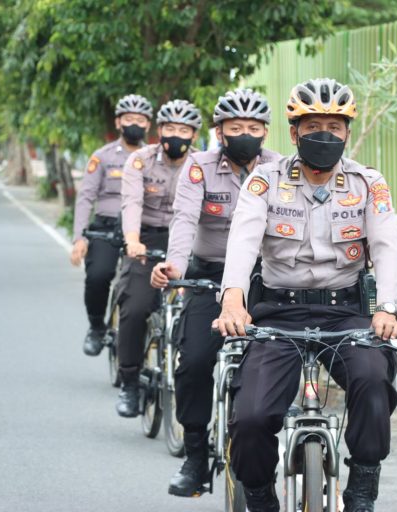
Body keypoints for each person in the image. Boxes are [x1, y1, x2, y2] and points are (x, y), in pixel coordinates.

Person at [214, 78, 397, 512]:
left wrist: (388, 309)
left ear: (347, 134)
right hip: (277, 314)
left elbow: (387, 246)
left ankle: (362, 490)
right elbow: (243, 242)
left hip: (345, 313)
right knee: (251, 417)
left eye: (334, 128)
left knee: (374, 379)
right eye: (312, 125)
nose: (324, 135)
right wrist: (232, 300)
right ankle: (260, 497)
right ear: (294, 132)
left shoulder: (367, 183)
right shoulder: (265, 181)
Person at [150, 88, 282, 497]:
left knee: (281, 358)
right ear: (220, 132)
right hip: (209, 277)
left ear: (265, 131)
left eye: (253, 127)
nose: (245, 133)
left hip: (265, 279)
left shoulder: (282, 167)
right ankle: (194, 456)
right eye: (236, 127)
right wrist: (174, 265)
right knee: (193, 362)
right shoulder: (199, 166)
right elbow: (185, 219)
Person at [115, 99, 202, 417]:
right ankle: (129, 382)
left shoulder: (203, 164)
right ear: (159, 131)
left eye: (184, 130)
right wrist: (133, 241)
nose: (176, 135)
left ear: (193, 135)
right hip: (147, 241)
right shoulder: (140, 160)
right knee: (135, 307)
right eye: (170, 128)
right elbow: (132, 203)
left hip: (190, 240)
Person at [71, 94, 154, 356]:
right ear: (118, 122)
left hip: (142, 230)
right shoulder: (103, 156)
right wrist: (80, 237)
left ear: (148, 125)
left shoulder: (154, 157)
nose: (134, 124)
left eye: (140, 120)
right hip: (105, 228)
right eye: (128, 119)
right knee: (98, 276)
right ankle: (97, 326)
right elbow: (86, 197)